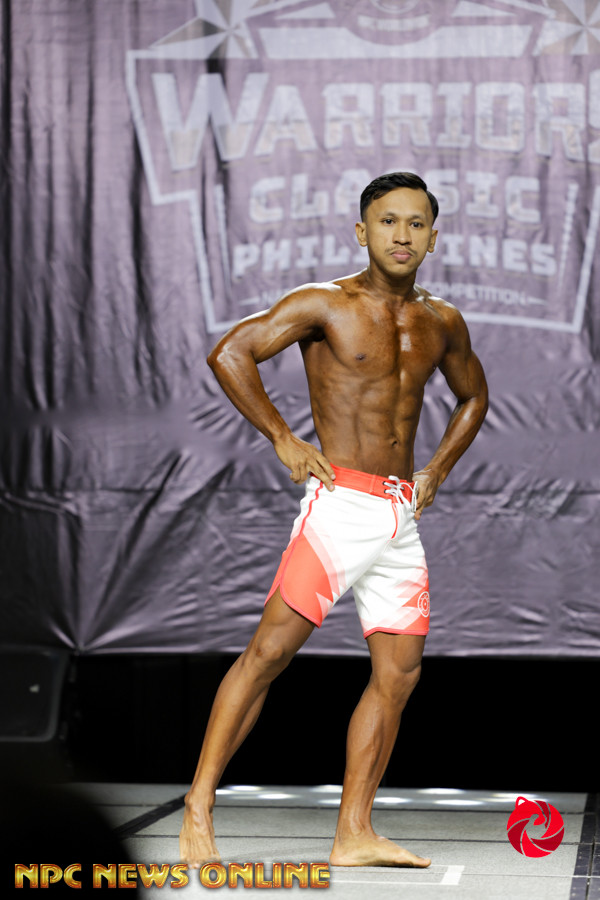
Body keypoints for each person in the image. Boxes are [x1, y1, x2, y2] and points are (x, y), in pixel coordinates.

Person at [180, 172, 488, 869]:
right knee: (268, 655)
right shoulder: (325, 303)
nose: (402, 235)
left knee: (400, 675)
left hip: (398, 514)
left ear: (433, 238)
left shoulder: (441, 321)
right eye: (388, 221)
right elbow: (231, 352)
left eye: (416, 223)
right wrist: (282, 437)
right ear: (362, 231)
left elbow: (474, 396)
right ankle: (199, 803)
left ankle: (353, 832)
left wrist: (436, 470)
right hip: (339, 507)